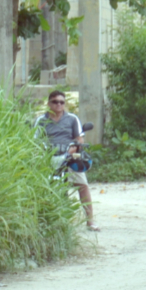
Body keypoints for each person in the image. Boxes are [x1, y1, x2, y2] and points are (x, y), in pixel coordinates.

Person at [36, 89, 99, 232]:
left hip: (69, 157)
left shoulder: (72, 119)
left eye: (61, 102)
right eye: (55, 102)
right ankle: (46, 220)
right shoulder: (41, 120)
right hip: (48, 158)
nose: (58, 104)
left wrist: (70, 152)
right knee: (43, 187)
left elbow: (79, 139)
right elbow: (35, 140)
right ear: (49, 103)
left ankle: (90, 221)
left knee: (82, 184)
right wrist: (43, 154)